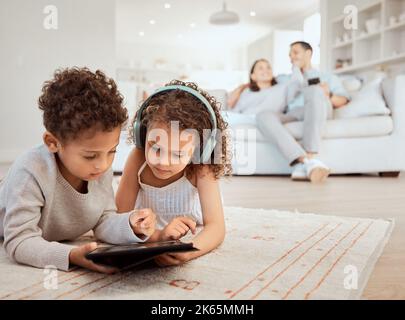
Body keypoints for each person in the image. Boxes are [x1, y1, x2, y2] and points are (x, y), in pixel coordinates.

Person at [0, 68, 156, 273]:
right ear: (53, 142)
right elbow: (19, 241)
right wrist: (70, 256)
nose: (103, 164)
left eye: (112, 151)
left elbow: (103, 220)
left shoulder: (98, 170)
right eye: (90, 156)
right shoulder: (29, 172)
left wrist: (130, 225)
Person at [115, 80, 232, 267]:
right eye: (156, 148)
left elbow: (216, 228)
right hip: (153, 229)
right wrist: (156, 237)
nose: (163, 162)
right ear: (143, 136)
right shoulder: (137, 158)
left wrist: (187, 251)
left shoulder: (201, 166)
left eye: (178, 154)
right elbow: (119, 217)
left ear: (199, 150)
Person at [256, 41, 351, 183]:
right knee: (263, 116)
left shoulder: (328, 77)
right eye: (289, 55)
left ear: (308, 53)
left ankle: (310, 156)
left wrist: (327, 94)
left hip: (319, 107)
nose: (291, 57)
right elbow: (261, 81)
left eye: (295, 52)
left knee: (314, 90)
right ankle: (307, 162)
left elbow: (343, 99)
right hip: (293, 113)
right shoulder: (285, 78)